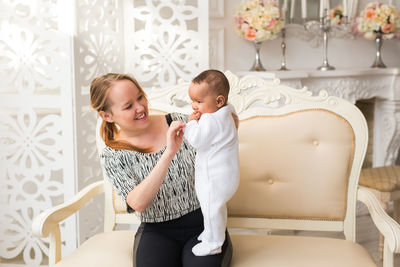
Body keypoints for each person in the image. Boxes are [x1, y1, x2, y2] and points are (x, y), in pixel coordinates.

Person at [89, 73, 233, 267]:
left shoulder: (180, 123)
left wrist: (224, 117)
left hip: (204, 224)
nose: (140, 107)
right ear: (107, 116)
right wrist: (169, 152)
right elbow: (137, 203)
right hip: (157, 231)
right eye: (128, 106)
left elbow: (226, 131)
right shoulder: (114, 155)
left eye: (140, 97)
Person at [183, 70, 239, 256]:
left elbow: (197, 140)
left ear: (219, 101)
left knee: (210, 208)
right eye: (193, 100)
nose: (194, 106)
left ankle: (214, 244)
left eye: (199, 101)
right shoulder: (227, 112)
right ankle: (212, 233)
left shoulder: (209, 119)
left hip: (213, 177)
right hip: (227, 175)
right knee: (216, 207)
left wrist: (191, 124)